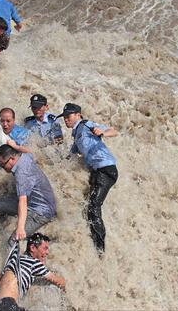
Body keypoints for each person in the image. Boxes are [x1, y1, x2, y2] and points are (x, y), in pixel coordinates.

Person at [58, 103, 118, 254]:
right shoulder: (76, 135)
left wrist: (102, 133)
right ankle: (93, 240)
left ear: (78, 115)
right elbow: (70, 156)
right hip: (97, 172)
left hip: (106, 169)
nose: (66, 120)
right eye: (64, 118)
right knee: (88, 205)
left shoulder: (85, 125)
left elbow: (114, 131)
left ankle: (100, 248)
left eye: (68, 116)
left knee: (93, 206)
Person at [0, 145, 56, 244]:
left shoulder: (21, 174)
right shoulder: (24, 157)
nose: (2, 167)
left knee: (13, 241)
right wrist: (15, 146)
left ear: (12, 159)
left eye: (2, 164)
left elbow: (22, 201)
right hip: (34, 201)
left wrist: (20, 228)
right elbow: (29, 151)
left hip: (40, 212)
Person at [0, 233, 65, 311]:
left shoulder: (16, 261)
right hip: (8, 305)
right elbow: (60, 281)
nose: (47, 252)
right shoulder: (33, 262)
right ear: (32, 248)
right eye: (45, 248)